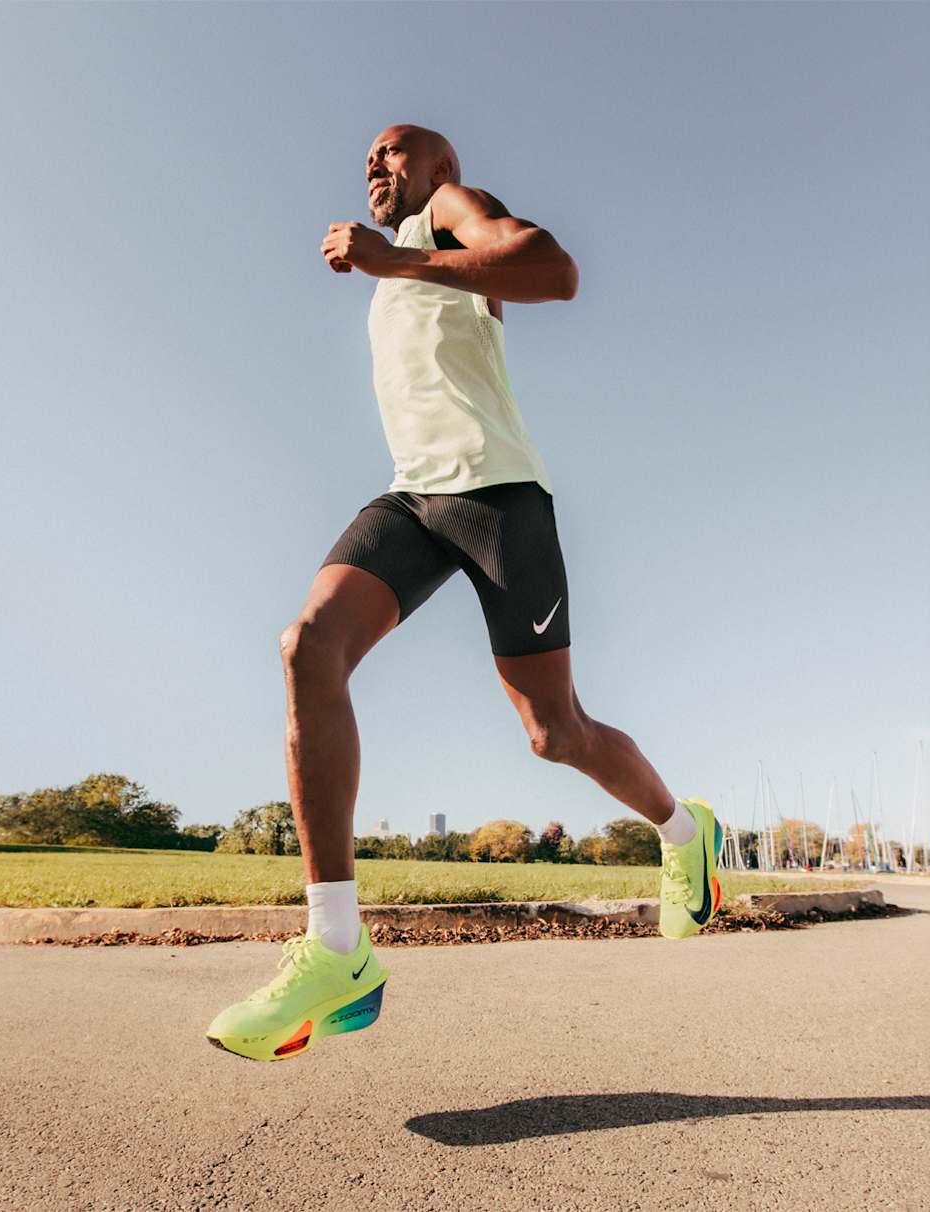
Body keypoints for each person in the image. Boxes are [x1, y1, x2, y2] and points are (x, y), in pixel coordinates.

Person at [206, 125, 722, 1062]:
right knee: (307, 645)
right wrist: (383, 264)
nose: (374, 164)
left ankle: (686, 830)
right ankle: (336, 949)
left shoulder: (452, 214)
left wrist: (393, 263)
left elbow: (554, 268)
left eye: (395, 150)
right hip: (412, 497)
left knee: (553, 733)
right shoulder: (398, 250)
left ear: (440, 168)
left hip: (497, 498)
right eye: (367, 158)